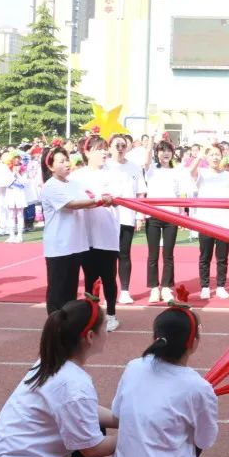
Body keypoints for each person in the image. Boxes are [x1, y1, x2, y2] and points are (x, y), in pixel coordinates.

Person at [0, 297, 118, 457]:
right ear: (90, 336)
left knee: (96, 427)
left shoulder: (50, 362)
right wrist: (137, 435)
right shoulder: (73, 384)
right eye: (105, 326)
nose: (107, 332)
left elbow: (84, 410)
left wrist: (123, 419)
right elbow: (92, 448)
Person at [108, 293, 218, 457]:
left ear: (155, 338)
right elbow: (204, 440)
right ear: (194, 342)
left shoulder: (134, 367)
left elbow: (117, 414)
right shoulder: (198, 388)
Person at [40, 146, 114, 314]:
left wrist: (105, 201)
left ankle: (68, 325)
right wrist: (99, 200)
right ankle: (55, 325)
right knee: (58, 292)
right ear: (50, 166)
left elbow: (87, 202)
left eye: (67, 160)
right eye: (61, 161)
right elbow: (72, 204)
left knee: (70, 293)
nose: (67, 164)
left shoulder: (74, 184)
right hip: (59, 247)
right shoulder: (51, 186)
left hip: (76, 245)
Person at [71, 135, 125, 332]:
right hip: (85, 236)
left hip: (107, 234)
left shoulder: (114, 174)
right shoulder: (77, 176)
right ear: (87, 152)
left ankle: (111, 315)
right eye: (99, 149)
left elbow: (117, 197)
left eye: (104, 149)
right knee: (90, 278)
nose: (104, 152)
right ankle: (91, 314)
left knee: (109, 277)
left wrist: (106, 199)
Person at [190, 146, 229, 299]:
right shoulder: (202, 173)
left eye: (218, 154)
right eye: (212, 155)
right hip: (206, 221)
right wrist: (200, 156)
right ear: (207, 157)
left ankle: (221, 286)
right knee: (205, 256)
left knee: (222, 257)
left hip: (223, 221)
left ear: (222, 156)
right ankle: (205, 286)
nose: (215, 157)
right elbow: (191, 172)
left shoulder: (228, 176)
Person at [106, 134, 145, 305]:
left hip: (127, 216)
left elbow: (140, 193)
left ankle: (125, 291)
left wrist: (139, 216)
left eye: (123, 145)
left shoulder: (134, 167)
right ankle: (109, 291)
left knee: (124, 253)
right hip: (107, 216)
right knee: (108, 256)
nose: (120, 149)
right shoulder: (105, 166)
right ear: (109, 147)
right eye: (117, 145)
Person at [145, 140, 183, 303]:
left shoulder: (177, 171)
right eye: (162, 150)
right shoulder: (151, 169)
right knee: (153, 254)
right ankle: (154, 288)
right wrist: (151, 140)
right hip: (153, 214)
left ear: (172, 153)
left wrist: (181, 215)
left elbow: (180, 194)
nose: (165, 153)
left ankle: (166, 287)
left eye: (168, 150)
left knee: (168, 253)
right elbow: (146, 159)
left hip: (171, 215)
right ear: (157, 153)